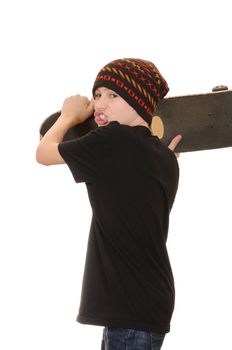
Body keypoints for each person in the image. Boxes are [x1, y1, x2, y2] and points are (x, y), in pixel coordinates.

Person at [36, 58, 182, 350]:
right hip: (148, 300)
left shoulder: (112, 140)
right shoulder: (166, 158)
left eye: (114, 95)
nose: (101, 102)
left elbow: (44, 152)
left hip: (129, 305)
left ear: (140, 102)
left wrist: (68, 116)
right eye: (98, 94)